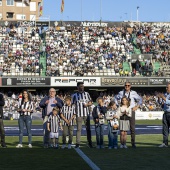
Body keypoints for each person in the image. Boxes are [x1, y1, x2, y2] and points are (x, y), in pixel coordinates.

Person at [117, 81, 142, 148]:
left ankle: (133, 143)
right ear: (124, 86)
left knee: (132, 128)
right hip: (123, 111)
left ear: (130, 86)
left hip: (131, 110)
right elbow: (115, 99)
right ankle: (122, 143)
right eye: (126, 85)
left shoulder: (133, 93)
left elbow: (140, 99)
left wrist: (137, 106)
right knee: (122, 129)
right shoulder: (121, 93)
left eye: (128, 85)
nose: (127, 87)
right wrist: (119, 106)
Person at [72, 82, 93, 148]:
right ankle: (77, 143)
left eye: (82, 86)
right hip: (79, 114)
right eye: (80, 86)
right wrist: (74, 114)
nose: (82, 87)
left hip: (86, 114)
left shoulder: (87, 94)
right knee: (79, 129)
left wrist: (87, 104)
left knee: (88, 129)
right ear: (77, 87)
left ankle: (89, 142)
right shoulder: (75, 95)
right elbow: (73, 105)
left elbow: (91, 102)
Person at [158, 83, 170, 147]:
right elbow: (162, 104)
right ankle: (165, 143)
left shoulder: (165, 96)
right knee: (165, 129)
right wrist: (159, 98)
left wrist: (164, 98)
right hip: (165, 113)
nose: (166, 88)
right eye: (166, 87)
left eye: (167, 87)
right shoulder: (165, 94)